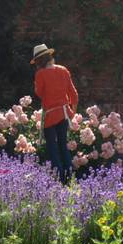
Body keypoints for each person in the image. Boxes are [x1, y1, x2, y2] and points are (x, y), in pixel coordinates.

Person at [32, 44, 78, 183]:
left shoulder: (40, 74)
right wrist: (72, 112)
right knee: (63, 146)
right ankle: (70, 178)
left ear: (39, 61)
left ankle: (59, 179)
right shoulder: (63, 70)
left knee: (53, 147)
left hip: (50, 115)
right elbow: (73, 94)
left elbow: (39, 93)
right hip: (63, 114)